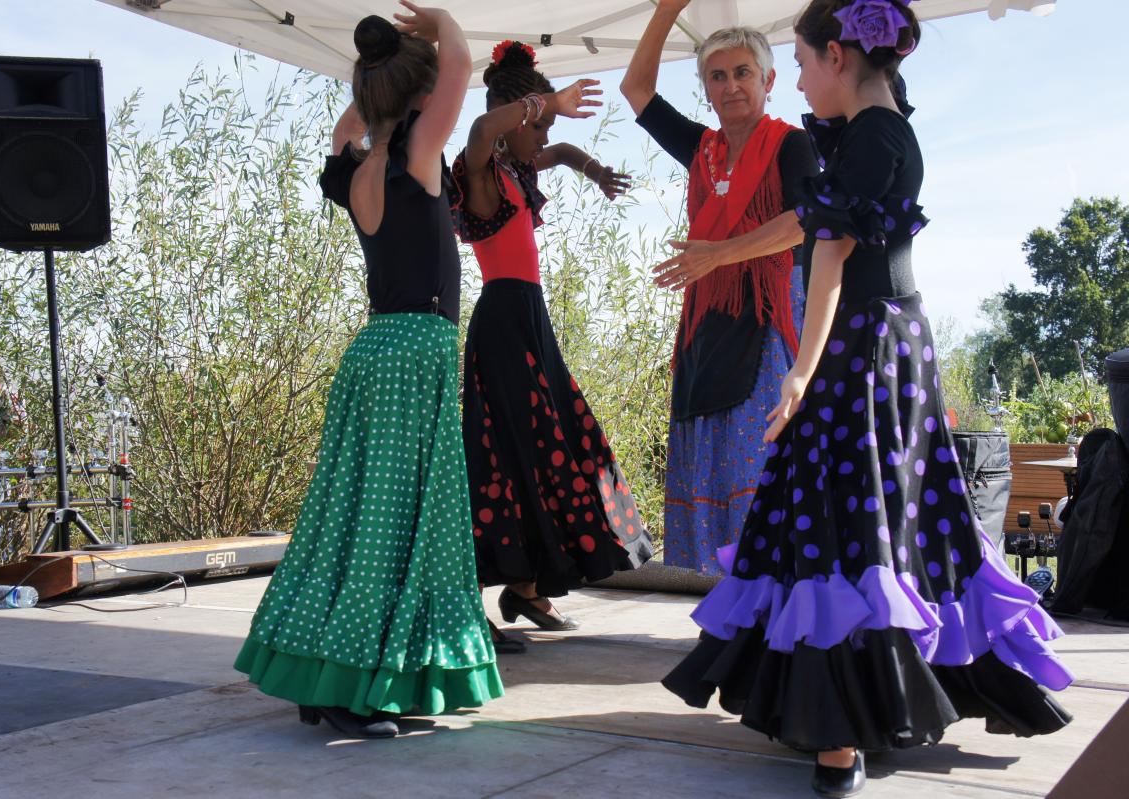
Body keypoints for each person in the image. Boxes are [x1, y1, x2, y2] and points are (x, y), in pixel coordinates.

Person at [661, 1, 1073, 795]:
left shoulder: (875, 134)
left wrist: (801, 366)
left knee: (851, 523)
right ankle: (858, 706)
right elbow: (808, 228)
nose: (802, 80)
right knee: (877, 519)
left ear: (840, 55)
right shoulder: (868, 129)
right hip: (885, 343)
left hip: (862, 349)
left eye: (806, 63)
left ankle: (841, 732)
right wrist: (727, 255)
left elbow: (829, 251)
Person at [234, 3, 503, 740]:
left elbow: (348, 128)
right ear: (417, 102)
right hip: (415, 352)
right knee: (391, 525)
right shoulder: (418, 155)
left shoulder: (354, 171)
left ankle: (326, 675)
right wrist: (441, 19)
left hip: (373, 351)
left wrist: (382, 76)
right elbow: (459, 66)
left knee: (347, 519)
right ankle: (359, 686)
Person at [450, 41, 653, 650]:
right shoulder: (483, 172)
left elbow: (559, 150)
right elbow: (485, 125)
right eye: (535, 126)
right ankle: (481, 597)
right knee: (507, 455)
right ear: (517, 115)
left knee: (555, 445)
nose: (542, 139)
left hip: (532, 322)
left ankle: (529, 588)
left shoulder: (517, 166)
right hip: (504, 324)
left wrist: (593, 170)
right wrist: (545, 103)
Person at [620, 0, 820, 576]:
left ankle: (769, 600)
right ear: (705, 87)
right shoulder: (703, 149)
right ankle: (726, 598)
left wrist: (721, 255)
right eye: (717, 75)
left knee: (758, 460)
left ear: (768, 80)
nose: (731, 86)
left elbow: (805, 219)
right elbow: (636, 90)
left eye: (742, 73)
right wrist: (667, 9)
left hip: (772, 316)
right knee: (710, 453)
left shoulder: (790, 145)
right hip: (710, 323)